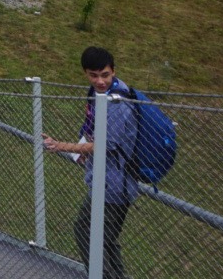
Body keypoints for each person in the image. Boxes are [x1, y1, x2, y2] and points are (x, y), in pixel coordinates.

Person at [43, 47, 141, 279]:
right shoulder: (100, 97)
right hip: (107, 181)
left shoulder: (117, 103)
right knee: (105, 239)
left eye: (105, 75)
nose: (100, 81)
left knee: (87, 233)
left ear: (114, 71)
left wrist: (62, 146)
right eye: (93, 75)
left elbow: (105, 145)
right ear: (85, 73)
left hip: (114, 185)